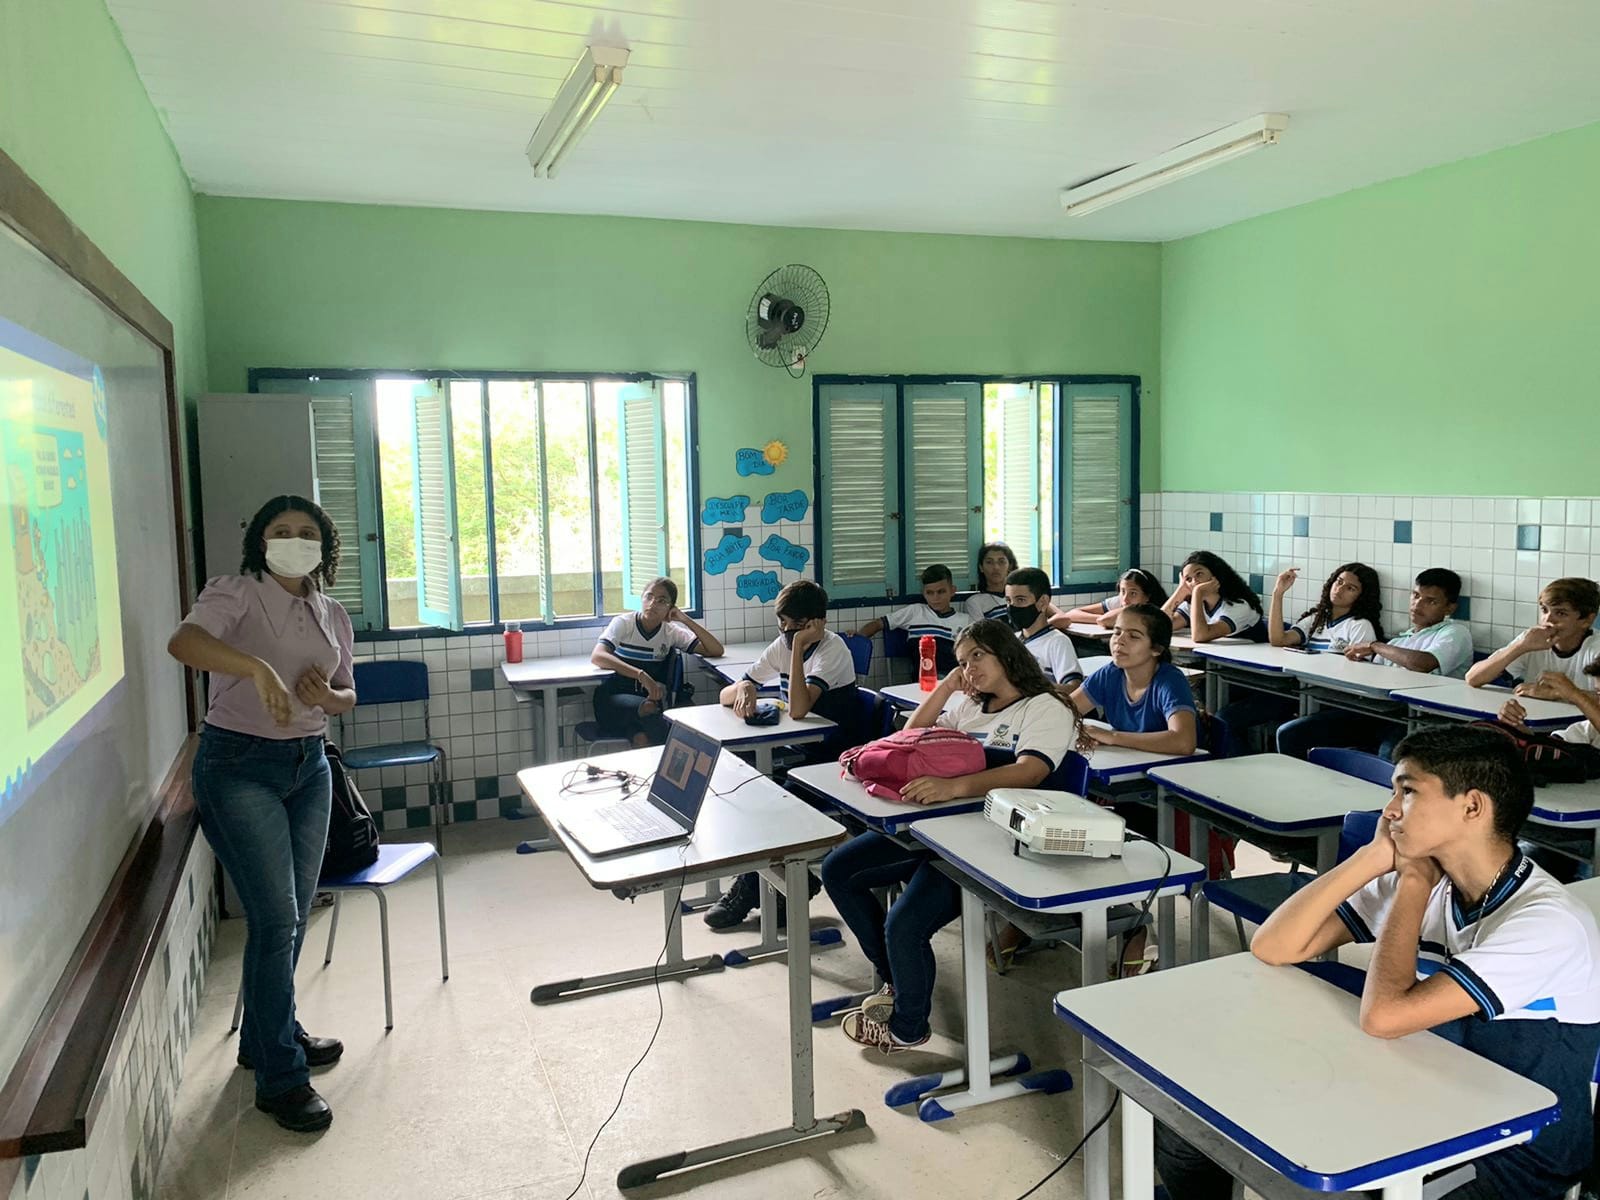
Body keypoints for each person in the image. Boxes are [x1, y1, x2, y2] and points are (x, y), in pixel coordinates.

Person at [1154, 726, 1600, 1200]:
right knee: (1187, 1133)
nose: (1389, 811)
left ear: (1472, 807)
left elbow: (1385, 1016)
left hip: (1514, 1149)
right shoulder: (1433, 875)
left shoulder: (1547, 923)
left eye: (1407, 791)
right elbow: (1275, 945)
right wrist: (1371, 857)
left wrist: (1411, 886)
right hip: (1417, 1091)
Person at [166, 495, 356, 1133]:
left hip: (311, 766)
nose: (294, 541)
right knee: (275, 919)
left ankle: (265, 1037)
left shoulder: (329, 611)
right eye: (281, 531)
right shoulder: (236, 592)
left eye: (307, 533)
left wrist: (330, 697)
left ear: (323, 549)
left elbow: (348, 691)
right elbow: (183, 641)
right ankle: (280, 1077)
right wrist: (256, 669)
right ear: (261, 541)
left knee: (293, 916)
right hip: (239, 767)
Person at [822, 620, 1085, 1051]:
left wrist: (952, 787)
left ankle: (908, 1027)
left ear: (1007, 653)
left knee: (904, 923)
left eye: (978, 656)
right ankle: (899, 982)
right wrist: (945, 689)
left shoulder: (1045, 707)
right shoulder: (969, 705)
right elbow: (905, 738)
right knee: (839, 869)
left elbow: (1031, 771)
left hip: (997, 840)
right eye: (963, 662)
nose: (970, 668)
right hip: (942, 827)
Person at [705, 579, 859, 929]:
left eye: (794, 626)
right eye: (782, 625)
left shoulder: (832, 651)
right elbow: (725, 696)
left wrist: (799, 648)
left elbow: (801, 709)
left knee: (775, 804)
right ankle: (790, 885)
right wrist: (745, 684)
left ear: (815, 622)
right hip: (801, 751)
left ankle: (748, 893)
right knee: (744, 792)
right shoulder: (782, 644)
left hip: (834, 758)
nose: (786, 632)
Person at [1069, 603, 1200, 973]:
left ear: (1156, 648)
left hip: (1167, 795)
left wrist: (1112, 736)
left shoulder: (1168, 679)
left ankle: (1137, 930)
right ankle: (1121, 923)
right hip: (1122, 786)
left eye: (1133, 635)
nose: (1119, 642)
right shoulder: (1110, 674)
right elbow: (1067, 710)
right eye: (1116, 633)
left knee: (1115, 842)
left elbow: (1183, 741)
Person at [1276, 568, 1474, 760]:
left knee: (1389, 754)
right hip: (1380, 713)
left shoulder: (1455, 633)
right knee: (1291, 734)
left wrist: (1375, 646)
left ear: (1450, 608)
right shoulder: (1400, 640)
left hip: (1423, 721)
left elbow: (1423, 664)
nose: (1418, 604)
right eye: (1415, 596)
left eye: (1430, 601)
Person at [1213, 563, 1384, 756]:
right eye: (1339, 582)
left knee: (1289, 734)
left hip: (1335, 702)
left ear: (1361, 596)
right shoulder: (1317, 619)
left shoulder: (1359, 626)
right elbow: (1278, 640)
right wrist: (1278, 594)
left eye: (1350, 588)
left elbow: (1359, 677)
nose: (1340, 589)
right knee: (1225, 717)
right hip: (1299, 694)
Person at [589, 577, 723, 747]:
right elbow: (598, 656)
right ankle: (682, 752)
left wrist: (685, 620)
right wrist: (641, 675)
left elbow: (716, 650)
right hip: (614, 699)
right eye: (649, 597)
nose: (652, 604)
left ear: (670, 608)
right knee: (652, 713)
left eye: (662, 601)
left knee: (642, 737)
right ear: (642, 599)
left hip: (647, 703)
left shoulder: (670, 632)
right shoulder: (624, 623)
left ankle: (672, 756)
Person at [1467, 577, 1600, 693]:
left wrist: (1556, 694)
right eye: (1544, 610)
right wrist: (1520, 647)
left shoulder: (1596, 648)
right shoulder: (1532, 640)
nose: (1548, 620)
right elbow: (1473, 679)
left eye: (1560, 613)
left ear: (1587, 620)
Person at [853, 563, 971, 674]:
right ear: (923, 593)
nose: (936, 598)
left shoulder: (966, 621)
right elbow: (878, 624)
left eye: (941, 592)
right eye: (930, 593)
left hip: (955, 680)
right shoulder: (915, 612)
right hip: (923, 681)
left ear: (952, 591)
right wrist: (857, 638)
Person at [1004, 566, 1082, 686]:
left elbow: (1073, 687)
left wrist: (1032, 689)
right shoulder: (1012, 640)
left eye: (1020, 600)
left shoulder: (1057, 642)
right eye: (1009, 601)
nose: (1012, 607)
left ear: (1043, 602)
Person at [1162, 551, 1262, 643]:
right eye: (1188, 579)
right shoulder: (1195, 604)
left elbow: (1200, 636)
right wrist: (1181, 591)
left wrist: (1198, 592)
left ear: (1216, 574)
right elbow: (1157, 627)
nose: (1194, 582)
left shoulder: (1239, 606)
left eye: (1199, 574)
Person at [1053, 568, 1169, 630]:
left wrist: (1111, 618)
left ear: (1147, 596)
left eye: (1133, 593)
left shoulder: (1153, 610)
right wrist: (1106, 618)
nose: (1125, 599)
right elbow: (1072, 614)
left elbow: (1104, 620)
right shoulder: (1119, 601)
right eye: (1122, 591)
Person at [965, 542, 1018, 623]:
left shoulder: (1019, 595)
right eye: (989, 562)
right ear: (981, 567)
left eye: (1001, 562)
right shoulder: (975, 602)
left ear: (1010, 566)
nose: (996, 567)